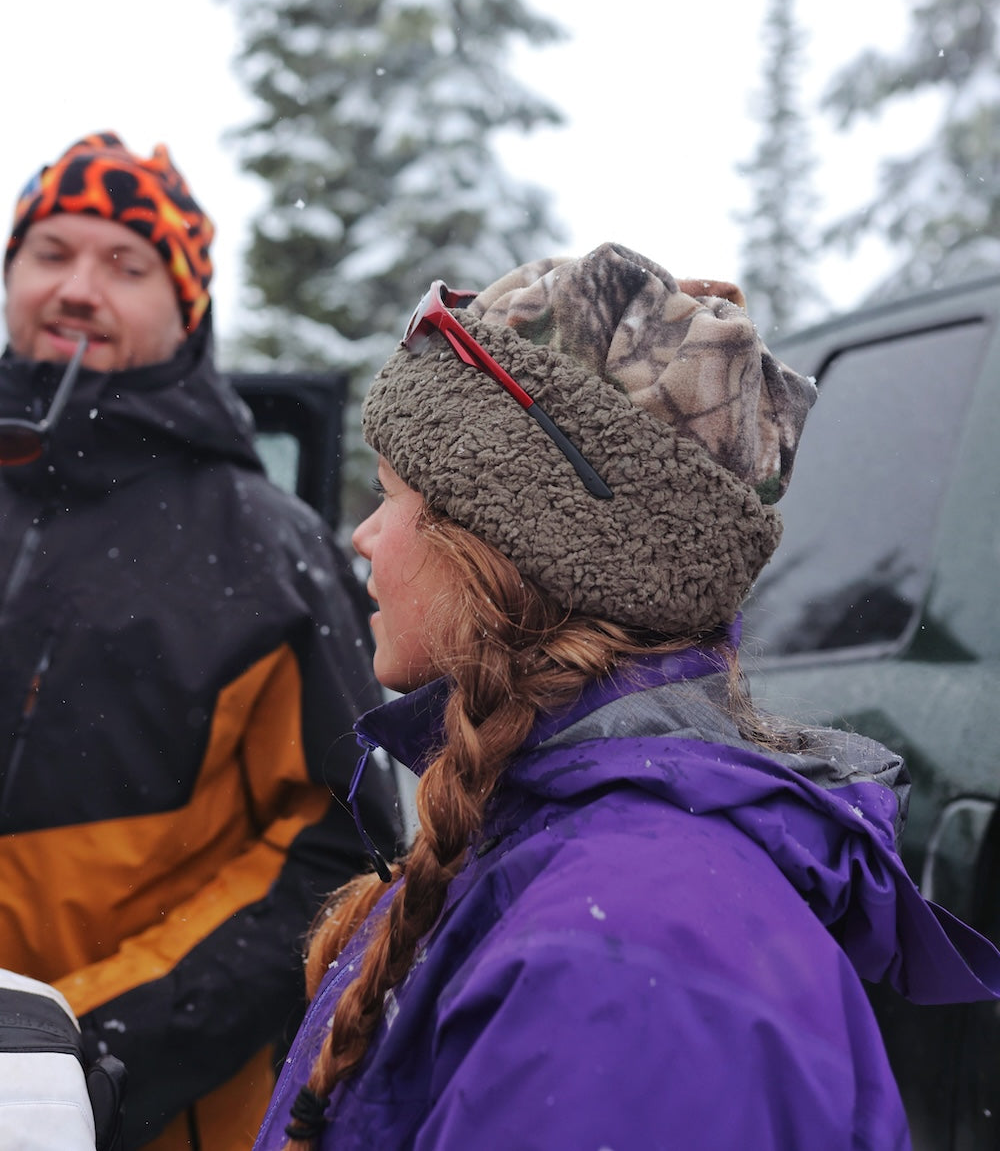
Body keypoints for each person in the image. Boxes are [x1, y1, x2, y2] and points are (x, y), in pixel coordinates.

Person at [249, 242, 1000, 1151]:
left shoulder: (625, 957)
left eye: (394, 494)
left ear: (513, 550)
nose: (363, 536)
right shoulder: (557, 859)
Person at [0, 132, 400, 1151]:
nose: (78, 287)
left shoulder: (269, 546)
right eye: (49, 254)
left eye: (126, 265)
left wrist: (82, 1048)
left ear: (187, 309)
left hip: (144, 1113)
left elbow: (337, 851)